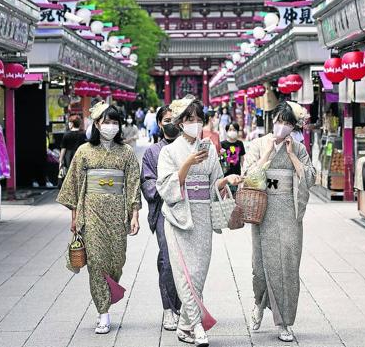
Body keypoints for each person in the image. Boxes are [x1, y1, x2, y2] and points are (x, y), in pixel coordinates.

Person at [157, 96, 242, 346]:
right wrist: (186, 165)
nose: (195, 123)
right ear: (180, 123)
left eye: (198, 119)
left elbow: (214, 181)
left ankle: (184, 325)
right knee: (185, 273)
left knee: (198, 273)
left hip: (203, 215)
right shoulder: (169, 151)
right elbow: (166, 186)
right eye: (189, 119)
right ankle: (197, 326)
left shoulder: (209, 148)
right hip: (179, 217)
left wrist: (228, 181)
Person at [57, 101, 141, 335]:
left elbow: (133, 183)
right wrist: (75, 217)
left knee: (116, 261)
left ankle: (109, 293)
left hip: (117, 214)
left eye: (115, 122)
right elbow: (73, 184)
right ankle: (102, 312)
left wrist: (134, 213)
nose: (111, 126)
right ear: (96, 124)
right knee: (96, 263)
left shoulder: (126, 153)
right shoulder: (84, 151)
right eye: (106, 122)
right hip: (91, 213)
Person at [242, 101, 315, 342]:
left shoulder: (299, 147)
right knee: (261, 266)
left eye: (288, 123)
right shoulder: (258, 143)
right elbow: (249, 176)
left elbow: (311, 177)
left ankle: (284, 322)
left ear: (293, 127)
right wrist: (268, 153)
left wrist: (292, 155)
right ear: (272, 121)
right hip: (263, 210)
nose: (282, 127)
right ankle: (258, 304)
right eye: (279, 122)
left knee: (288, 266)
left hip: (289, 212)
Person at [140, 105, 182, 331]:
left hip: (188, 211)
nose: (171, 123)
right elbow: (148, 184)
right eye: (167, 119)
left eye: (175, 119)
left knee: (186, 261)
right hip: (164, 212)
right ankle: (168, 309)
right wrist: (171, 187)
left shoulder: (189, 148)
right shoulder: (151, 153)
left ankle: (185, 306)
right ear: (159, 123)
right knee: (167, 259)